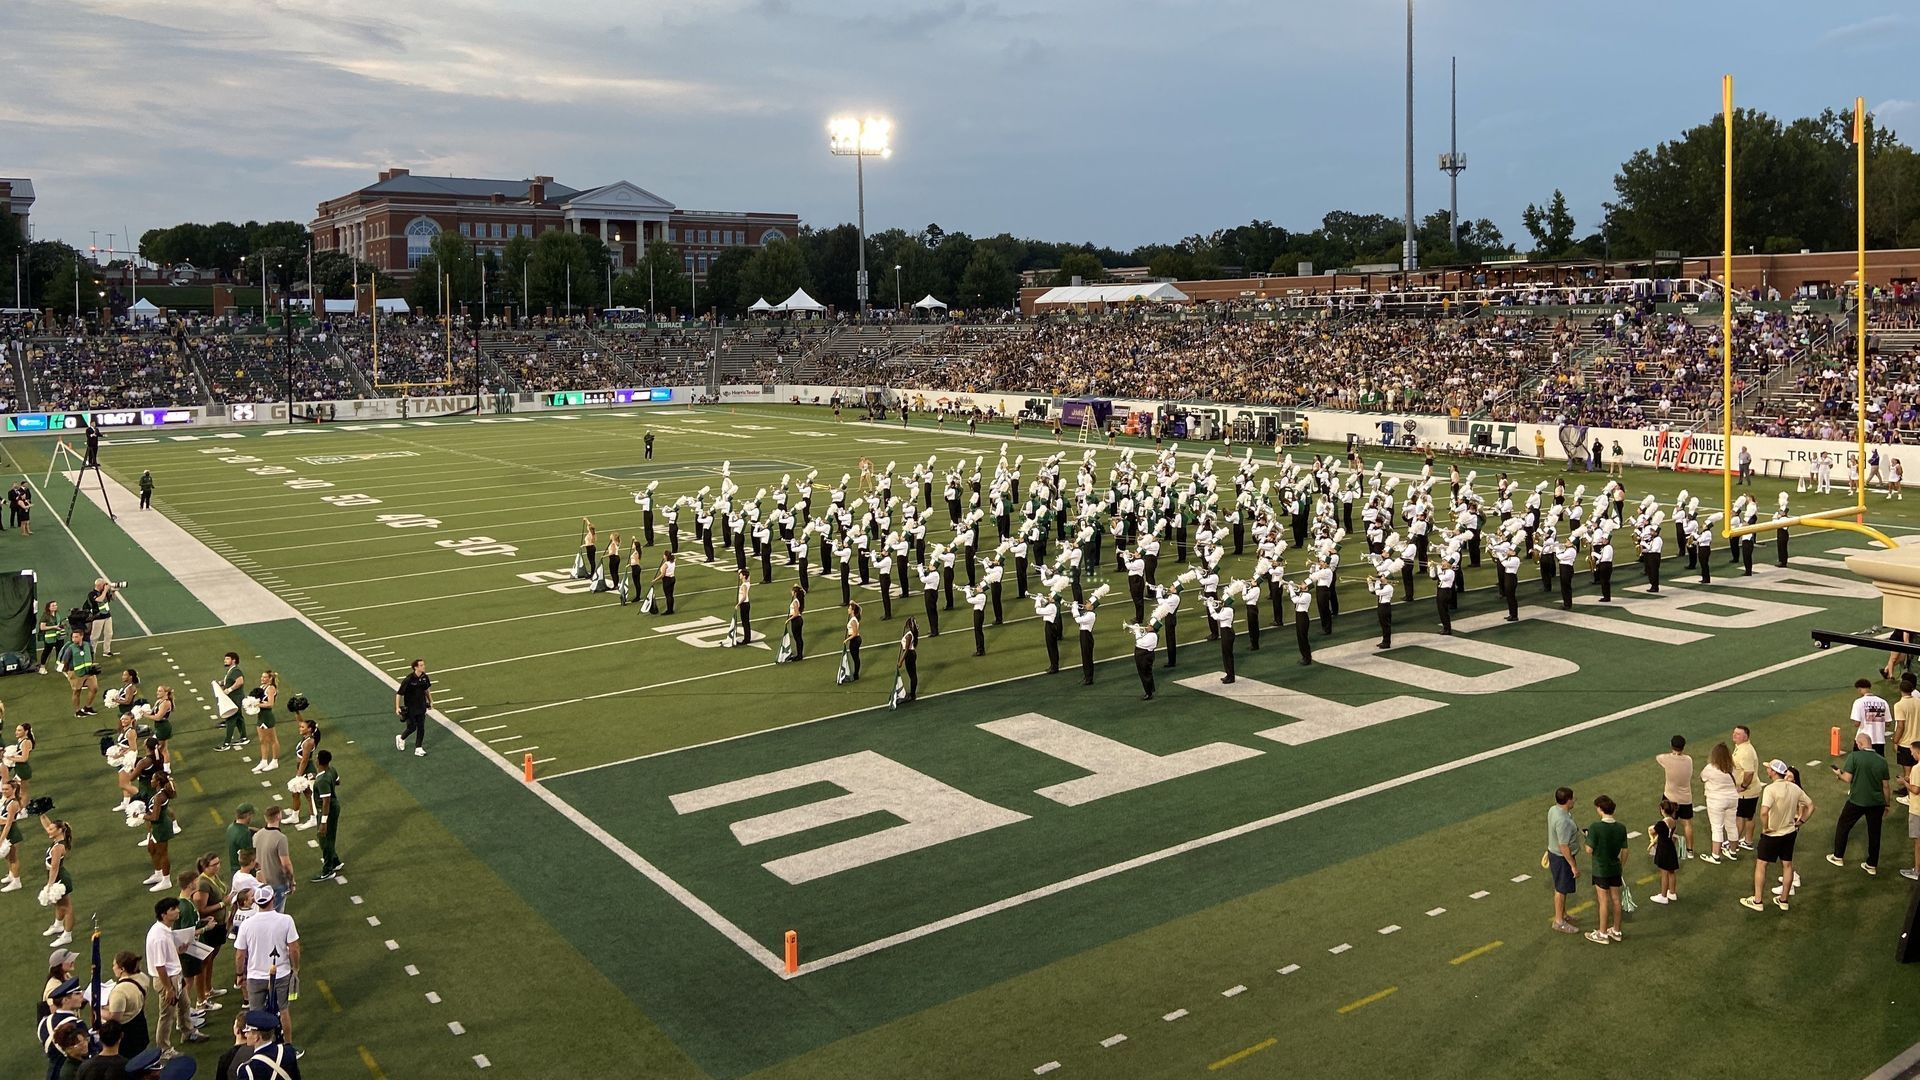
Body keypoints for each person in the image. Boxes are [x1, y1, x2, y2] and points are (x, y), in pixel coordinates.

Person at [232, 884, 299, 1050]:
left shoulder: (247, 924)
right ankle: (288, 1047)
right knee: (283, 1010)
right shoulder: (286, 920)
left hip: (255, 977)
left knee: (255, 1016)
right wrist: (295, 969)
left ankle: (259, 1048)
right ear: (272, 899)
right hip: (280, 973)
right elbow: (294, 948)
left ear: (256, 902)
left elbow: (240, 954)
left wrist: (240, 974)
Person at [1743, 759, 1813, 912]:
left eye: (1769, 768)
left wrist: (1766, 827)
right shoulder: (1794, 788)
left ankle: (1757, 901)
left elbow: (1763, 812)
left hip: (1772, 834)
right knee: (1787, 865)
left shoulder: (1770, 789)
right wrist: (1800, 822)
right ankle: (1783, 900)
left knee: (1761, 865)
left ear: (1773, 772)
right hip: (1789, 832)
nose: (1767, 770)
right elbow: (1810, 805)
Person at [1828, 731, 1892, 875]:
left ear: (1860, 743)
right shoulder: (1882, 760)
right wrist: (1887, 804)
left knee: (1843, 826)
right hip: (1877, 803)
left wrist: (1839, 774)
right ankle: (1872, 865)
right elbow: (1886, 786)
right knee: (1874, 833)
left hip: (1857, 800)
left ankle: (1838, 856)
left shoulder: (1854, 757)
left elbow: (1847, 778)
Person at [146, 898, 204, 1050]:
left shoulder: (164, 930)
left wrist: (178, 950)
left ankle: (188, 1032)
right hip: (167, 980)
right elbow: (160, 966)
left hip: (175, 977)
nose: (178, 911)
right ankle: (163, 1049)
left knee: (184, 1005)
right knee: (167, 1015)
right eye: (173, 909)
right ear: (164, 914)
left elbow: (167, 957)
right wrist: (169, 989)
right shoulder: (159, 937)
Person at [1584, 794, 1627, 944]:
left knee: (1603, 901)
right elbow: (1625, 851)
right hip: (1615, 867)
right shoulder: (1621, 828)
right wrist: (1621, 865)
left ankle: (1602, 934)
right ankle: (1616, 930)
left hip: (1600, 869)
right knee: (1616, 899)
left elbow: (1589, 850)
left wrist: (1588, 838)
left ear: (1601, 809)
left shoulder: (1595, 827)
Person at [102, 952, 153, 1059]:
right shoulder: (143, 977)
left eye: (114, 965)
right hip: (139, 1022)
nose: (113, 967)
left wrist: (97, 1010)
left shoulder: (119, 991)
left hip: (127, 1034)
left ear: (122, 969)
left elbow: (114, 1019)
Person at [1545, 786, 1581, 934]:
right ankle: (1558, 921)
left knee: (1562, 888)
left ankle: (1563, 914)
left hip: (1555, 853)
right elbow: (1563, 846)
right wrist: (1573, 865)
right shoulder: (1563, 820)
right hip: (1561, 858)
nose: (1574, 800)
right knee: (1561, 889)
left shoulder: (1553, 810)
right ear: (1567, 801)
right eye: (1572, 798)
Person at [1700, 742, 1741, 862]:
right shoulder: (1732, 768)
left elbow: (1702, 778)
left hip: (1716, 800)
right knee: (1732, 826)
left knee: (1717, 827)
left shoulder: (1710, 768)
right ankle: (1733, 852)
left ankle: (1715, 855)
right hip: (1733, 799)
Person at [1656, 735, 1695, 857]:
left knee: (1669, 822)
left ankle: (1670, 848)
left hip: (1670, 798)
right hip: (1685, 798)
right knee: (1687, 824)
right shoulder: (1688, 759)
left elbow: (1658, 757)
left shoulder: (1666, 759)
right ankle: (1689, 851)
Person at [42, 814, 74, 947]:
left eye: (51, 829)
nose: (48, 830)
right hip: (56, 876)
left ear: (59, 830)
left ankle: (67, 935)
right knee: (58, 904)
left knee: (66, 906)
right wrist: (42, 814)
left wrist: (49, 886)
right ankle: (58, 925)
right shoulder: (58, 840)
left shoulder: (58, 847)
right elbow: (47, 826)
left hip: (59, 878)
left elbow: (54, 868)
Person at [251, 807, 294, 905]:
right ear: (278, 816)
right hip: (277, 882)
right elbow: (286, 864)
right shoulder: (280, 838)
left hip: (262, 882)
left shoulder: (257, 835)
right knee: (277, 912)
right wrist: (292, 882)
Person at [311, 751, 342, 882]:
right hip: (333, 807)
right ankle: (335, 861)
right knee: (328, 837)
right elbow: (338, 781)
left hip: (327, 811)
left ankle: (328, 869)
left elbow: (326, 801)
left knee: (325, 839)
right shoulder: (331, 770)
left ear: (318, 761)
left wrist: (323, 821)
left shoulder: (322, 780)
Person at [1732, 724, 1762, 850]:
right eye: (1734, 732)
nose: (1734, 735)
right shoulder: (1743, 747)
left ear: (1745, 737)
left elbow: (1749, 772)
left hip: (1747, 791)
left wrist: (1743, 786)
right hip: (1752, 790)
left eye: (1738, 734)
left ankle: (1735, 842)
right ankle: (1748, 841)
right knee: (1749, 816)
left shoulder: (1745, 752)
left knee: (1740, 816)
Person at [58, 632, 99, 717]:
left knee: (94, 688)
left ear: (81, 636)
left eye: (76, 637)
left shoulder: (87, 645)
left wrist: (93, 664)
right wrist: (67, 672)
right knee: (77, 692)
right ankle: (77, 711)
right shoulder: (70, 648)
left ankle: (87, 707)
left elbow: (91, 654)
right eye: (73, 637)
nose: (74, 639)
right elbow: (64, 661)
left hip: (88, 671)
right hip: (75, 673)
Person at [395, 659, 431, 757]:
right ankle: (401, 738)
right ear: (416, 667)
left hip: (421, 706)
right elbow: (399, 694)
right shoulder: (409, 679)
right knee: (412, 727)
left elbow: (426, 690)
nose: (424, 666)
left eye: (423, 664)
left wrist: (430, 701)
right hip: (410, 708)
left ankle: (418, 748)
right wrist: (397, 707)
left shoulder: (425, 677)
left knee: (421, 727)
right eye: (421, 665)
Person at [1649, 798, 1681, 904]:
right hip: (1671, 848)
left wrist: (1651, 830)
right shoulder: (1673, 821)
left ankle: (1663, 896)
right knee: (1671, 871)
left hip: (1663, 849)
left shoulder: (1661, 823)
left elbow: (1653, 831)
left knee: (1664, 873)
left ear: (1662, 810)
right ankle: (1672, 893)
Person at [215, 651, 247, 752]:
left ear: (234, 661)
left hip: (235, 698)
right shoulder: (231, 670)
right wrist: (220, 683)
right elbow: (229, 681)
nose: (225, 660)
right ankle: (244, 737)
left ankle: (227, 743)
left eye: (227, 659)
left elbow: (240, 681)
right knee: (238, 718)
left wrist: (229, 690)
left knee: (231, 719)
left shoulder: (236, 670)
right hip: (234, 698)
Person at [1851, 677, 1892, 755]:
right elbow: (1888, 723)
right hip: (1879, 739)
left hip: (1863, 740)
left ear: (1859, 689)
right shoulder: (1883, 702)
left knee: (1859, 761)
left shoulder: (1858, 702)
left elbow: (1857, 723)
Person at [250, 671, 281, 773]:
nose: (262, 678)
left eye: (264, 677)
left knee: (273, 740)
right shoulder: (262, 687)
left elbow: (270, 704)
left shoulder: (271, 688)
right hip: (261, 716)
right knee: (262, 740)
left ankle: (275, 761)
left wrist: (256, 705)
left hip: (267, 716)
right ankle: (264, 761)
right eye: (262, 676)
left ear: (270, 679)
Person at [224, 805, 255, 881]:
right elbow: (249, 856)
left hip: (234, 869)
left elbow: (246, 828)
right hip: (245, 871)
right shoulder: (244, 834)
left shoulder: (231, 827)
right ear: (247, 815)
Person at [898, 617, 919, 701]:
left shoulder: (909, 635)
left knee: (912, 675)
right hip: (911, 654)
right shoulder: (911, 633)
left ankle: (912, 695)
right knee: (912, 675)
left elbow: (906, 649)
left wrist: (900, 662)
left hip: (909, 655)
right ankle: (912, 694)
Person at [653, 549, 677, 614]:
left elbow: (662, 575)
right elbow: (674, 558)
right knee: (671, 595)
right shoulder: (673, 561)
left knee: (668, 596)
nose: (663, 555)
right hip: (672, 578)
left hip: (667, 580)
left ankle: (669, 610)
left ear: (666, 556)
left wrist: (655, 580)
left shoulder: (665, 565)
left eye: (664, 555)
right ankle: (671, 609)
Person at [842, 603, 862, 682]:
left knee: (856, 658)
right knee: (856, 657)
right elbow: (860, 608)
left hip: (855, 639)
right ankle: (855, 674)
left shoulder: (853, 620)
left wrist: (846, 640)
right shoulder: (854, 618)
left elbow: (855, 633)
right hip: (855, 639)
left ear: (853, 610)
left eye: (849, 608)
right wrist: (854, 603)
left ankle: (856, 675)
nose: (848, 609)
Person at [734, 571, 753, 646]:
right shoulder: (747, 583)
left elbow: (744, 596)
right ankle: (747, 638)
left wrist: (738, 604)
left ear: (744, 576)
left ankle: (746, 639)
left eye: (741, 574)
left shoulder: (744, 585)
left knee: (745, 622)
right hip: (746, 604)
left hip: (744, 604)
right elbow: (748, 576)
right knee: (746, 622)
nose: (739, 575)